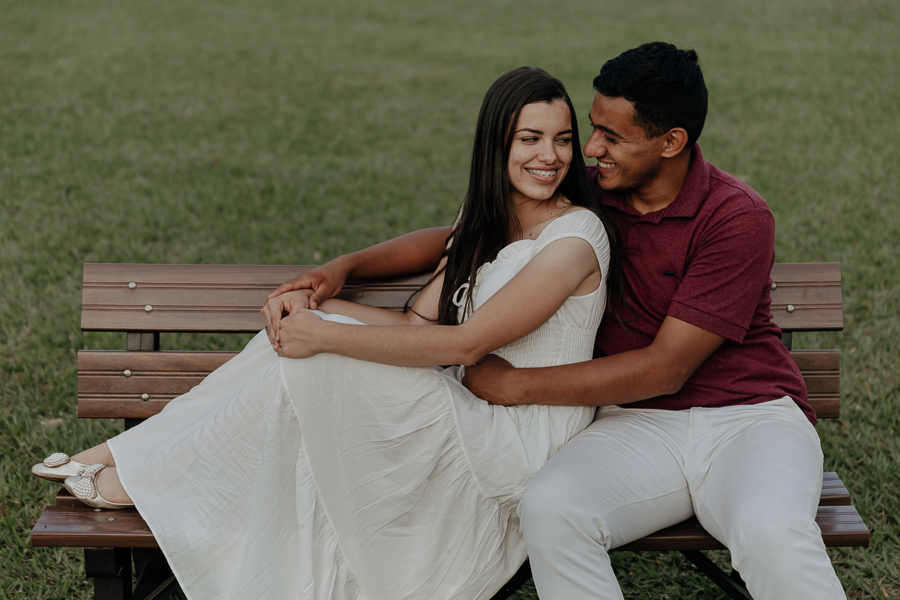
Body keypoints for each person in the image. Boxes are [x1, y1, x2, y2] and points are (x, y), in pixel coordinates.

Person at [270, 42, 846, 599]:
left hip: (748, 420)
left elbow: (667, 368)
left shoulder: (736, 216)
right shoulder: (593, 196)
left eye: (612, 136)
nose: (591, 147)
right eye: (592, 127)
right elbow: (464, 235)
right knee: (552, 508)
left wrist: (515, 385)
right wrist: (346, 266)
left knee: (770, 533)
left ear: (671, 142)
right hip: (634, 425)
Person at [32, 67, 624, 600]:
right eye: (531, 138)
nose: (551, 156)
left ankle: (141, 473)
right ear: (496, 144)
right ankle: (125, 459)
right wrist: (323, 291)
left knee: (315, 353)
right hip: (471, 409)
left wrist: (327, 336)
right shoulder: (495, 214)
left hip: (520, 446)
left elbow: (463, 346)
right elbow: (420, 317)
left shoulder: (574, 238)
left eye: (563, 139)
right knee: (290, 333)